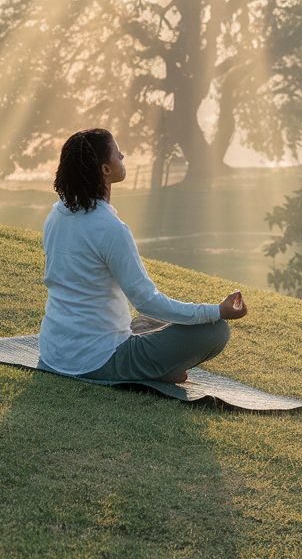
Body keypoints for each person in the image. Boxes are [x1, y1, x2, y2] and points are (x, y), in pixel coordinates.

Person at [38, 127, 248, 383]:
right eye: (117, 153)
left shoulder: (56, 215)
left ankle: (161, 367)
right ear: (105, 169)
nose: (122, 156)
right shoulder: (111, 229)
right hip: (98, 361)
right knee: (215, 332)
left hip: (53, 353)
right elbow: (147, 300)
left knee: (150, 322)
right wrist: (216, 311)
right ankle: (159, 370)